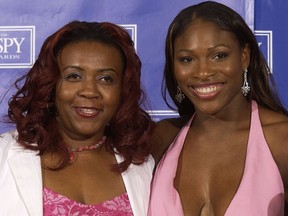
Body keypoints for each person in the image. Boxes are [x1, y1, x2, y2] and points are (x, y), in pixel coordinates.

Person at [0, 20, 155, 216]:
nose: (90, 91)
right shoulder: (3, 156)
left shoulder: (144, 166)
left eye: (106, 78)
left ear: (122, 91)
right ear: (52, 84)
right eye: (74, 76)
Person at [149, 1, 288, 215]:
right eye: (187, 59)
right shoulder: (162, 137)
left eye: (219, 56)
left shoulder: (281, 139)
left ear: (244, 57)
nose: (203, 72)